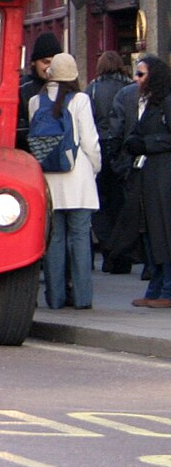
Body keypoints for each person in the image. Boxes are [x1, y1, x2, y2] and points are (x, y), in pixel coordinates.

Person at [28, 53, 102, 310]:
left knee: (55, 238)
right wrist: (95, 167)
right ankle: (82, 298)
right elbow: (90, 140)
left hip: (49, 179)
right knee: (80, 238)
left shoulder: (35, 101)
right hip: (77, 176)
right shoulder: (80, 99)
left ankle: (55, 298)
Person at [113, 55, 171, 307]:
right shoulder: (149, 102)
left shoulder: (167, 101)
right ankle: (155, 287)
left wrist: (146, 143)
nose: (136, 79)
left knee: (163, 231)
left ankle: (166, 289)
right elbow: (134, 132)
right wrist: (133, 143)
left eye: (141, 74)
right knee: (148, 230)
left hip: (163, 175)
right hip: (146, 174)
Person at [87, 51, 135, 272]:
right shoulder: (131, 87)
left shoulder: (94, 88)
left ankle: (109, 250)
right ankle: (122, 254)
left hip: (100, 146)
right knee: (121, 202)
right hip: (126, 148)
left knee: (100, 203)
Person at [17, 31, 62, 151]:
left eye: (54, 62)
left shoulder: (65, 86)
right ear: (33, 62)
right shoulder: (22, 88)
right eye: (45, 62)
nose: (50, 67)